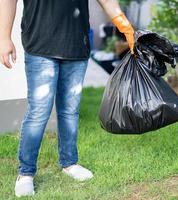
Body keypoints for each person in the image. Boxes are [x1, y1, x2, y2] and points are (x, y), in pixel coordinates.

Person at [0, 0, 135, 197]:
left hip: (76, 45)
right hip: (40, 44)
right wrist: (4, 37)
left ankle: (69, 163)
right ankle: (26, 173)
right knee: (39, 112)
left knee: (70, 111)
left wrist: (126, 26)